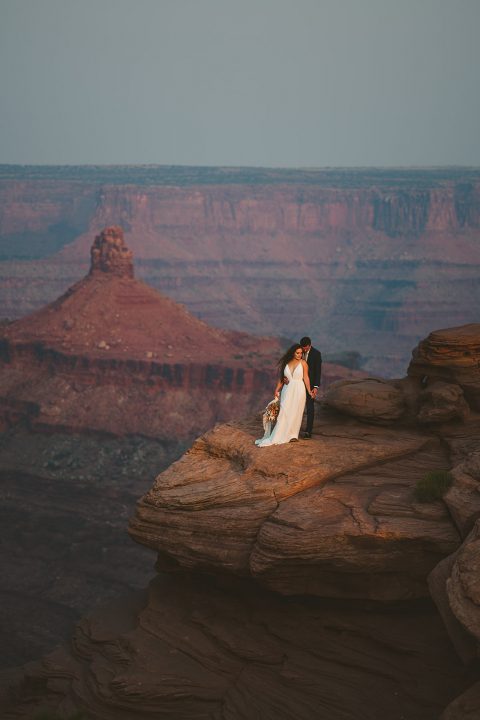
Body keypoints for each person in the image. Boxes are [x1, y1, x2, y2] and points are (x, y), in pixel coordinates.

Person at [255, 344, 314, 447]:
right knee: (284, 411)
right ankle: (280, 434)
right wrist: (277, 389)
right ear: (293, 352)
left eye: (301, 353)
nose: (300, 355)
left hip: (299, 389)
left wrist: (309, 391)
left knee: (296, 411)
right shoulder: (286, 363)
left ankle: (293, 435)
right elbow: (282, 379)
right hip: (287, 390)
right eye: (297, 353)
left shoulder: (303, 363)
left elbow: (306, 377)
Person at [299, 336, 322, 438]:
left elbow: (318, 372)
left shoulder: (316, 354)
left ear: (309, 345)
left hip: (311, 385)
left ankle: (308, 431)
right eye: (302, 347)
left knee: (310, 408)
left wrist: (315, 387)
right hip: (298, 384)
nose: (304, 349)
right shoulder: (298, 352)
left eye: (305, 348)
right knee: (297, 407)